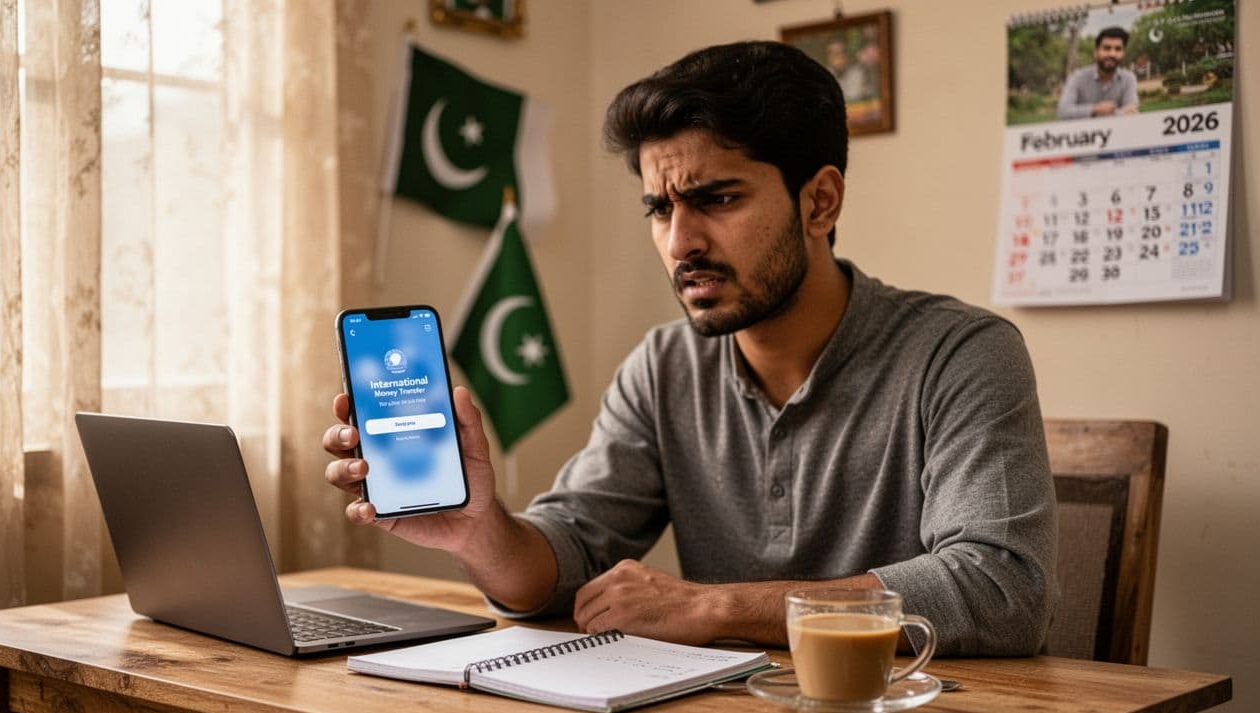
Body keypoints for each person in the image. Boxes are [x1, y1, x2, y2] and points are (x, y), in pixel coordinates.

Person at [325, 41, 1057, 656]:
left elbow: (1001, 590)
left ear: (820, 201)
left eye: (718, 198)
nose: (681, 244)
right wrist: (479, 531)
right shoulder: (662, 367)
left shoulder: (962, 353)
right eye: (659, 207)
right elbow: (564, 559)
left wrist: (712, 609)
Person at [1057, 27, 1139, 119]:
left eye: (1118, 49)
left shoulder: (1128, 79)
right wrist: (1095, 109)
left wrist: (1094, 113)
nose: (1112, 54)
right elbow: (1063, 112)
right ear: (1096, 52)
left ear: (1123, 53)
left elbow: (1131, 114)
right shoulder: (1078, 77)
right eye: (1107, 48)